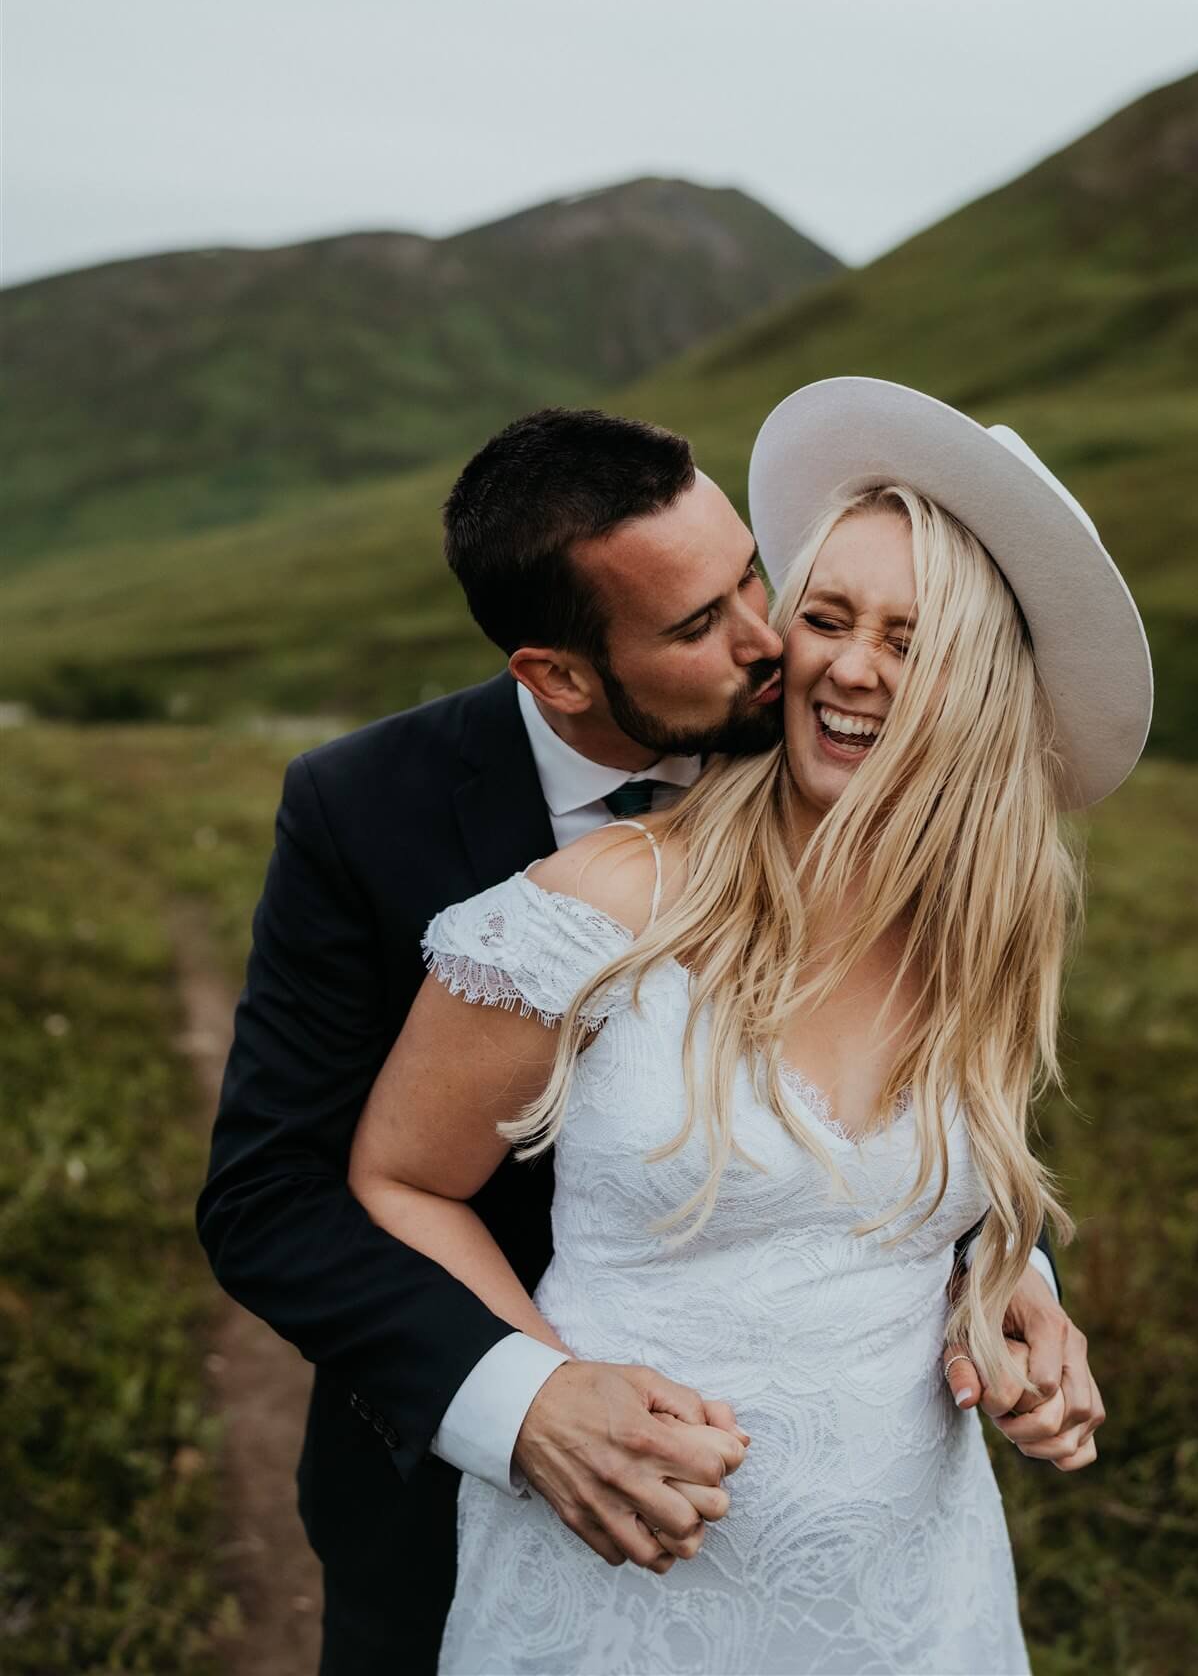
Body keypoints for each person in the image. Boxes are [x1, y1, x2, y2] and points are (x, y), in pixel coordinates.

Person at [198, 402, 1094, 1674]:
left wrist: (1010, 1278)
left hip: (891, 1572)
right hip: (487, 1477)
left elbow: (907, 1132)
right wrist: (528, 1398)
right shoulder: (372, 811)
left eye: (756, 581)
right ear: (559, 673)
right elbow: (276, 1196)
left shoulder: (900, 824)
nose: (775, 647)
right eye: (697, 625)